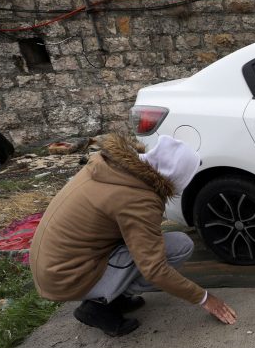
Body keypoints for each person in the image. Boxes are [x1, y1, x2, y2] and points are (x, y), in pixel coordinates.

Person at [30, 133, 236, 336]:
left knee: (168, 245)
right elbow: (155, 269)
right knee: (177, 248)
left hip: (55, 266)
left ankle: (114, 295)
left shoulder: (115, 169)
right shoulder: (138, 199)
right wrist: (205, 298)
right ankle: (97, 307)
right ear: (175, 178)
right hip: (67, 277)